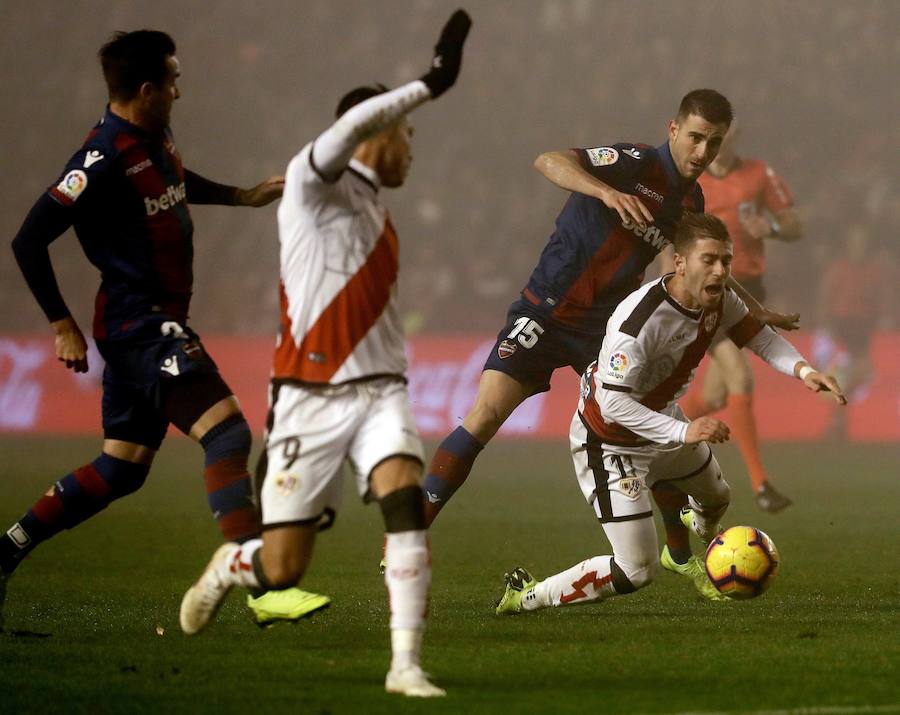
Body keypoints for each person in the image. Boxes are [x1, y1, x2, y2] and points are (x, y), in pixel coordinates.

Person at [178, 10, 472, 698]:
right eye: (406, 133)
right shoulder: (311, 185)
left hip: (379, 391)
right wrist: (430, 82)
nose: (412, 148)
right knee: (282, 569)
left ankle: (405, 665)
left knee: (404, 496)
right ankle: (230, 566)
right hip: (307, 399)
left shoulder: (376, 210)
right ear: (375, 130)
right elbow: (340, 135)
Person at [0, 30, 321, 631]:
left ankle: (5, 551)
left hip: (146, 326)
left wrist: (241, 195)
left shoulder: (153, 137)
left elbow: (175, 179)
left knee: (122, 465)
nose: (179, 90)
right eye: (172, 81)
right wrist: (61, 323)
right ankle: (257, 582)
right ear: (146, 90)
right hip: (141, 324)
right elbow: (28, 239)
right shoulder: (99, 158)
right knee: (226, 432)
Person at [421, 89, 797, 527]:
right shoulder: (633, 162)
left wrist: (751, 310)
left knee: (645, 434)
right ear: (672, 129)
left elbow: (703, 264)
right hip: (545, 312)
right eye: (695, 137)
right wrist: (605, 192)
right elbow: (548, 160)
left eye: (713, 143)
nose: (703, 152)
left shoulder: (691, 203)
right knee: (484, 416)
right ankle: (410, 533)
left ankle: (679, 555)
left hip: (604, 333)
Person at [494, 213, 845, 616]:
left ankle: (688, 548)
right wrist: (684, 431)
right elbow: (613, 405)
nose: (721, 271)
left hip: (662, 423)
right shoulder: (640, 323)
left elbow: (757, 334)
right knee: (635, 571)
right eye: (709, 260)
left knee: (718, 498)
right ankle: (528, 596)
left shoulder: (718, 299)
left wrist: (805, 371)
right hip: (609, 444)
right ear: (680, 262)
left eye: (726, 262)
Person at [676, 121, 803, 512]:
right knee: (739, 375)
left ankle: (646, 435)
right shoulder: (691, 185)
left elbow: (795, 224)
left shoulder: (758, 174)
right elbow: (674, 239)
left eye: (725, 135)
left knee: (714, 395)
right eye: (712, 137)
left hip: (750, 292)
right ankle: (762, 485)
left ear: (735, 136)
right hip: (710, 292)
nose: (719, 143)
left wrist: (773, 226)